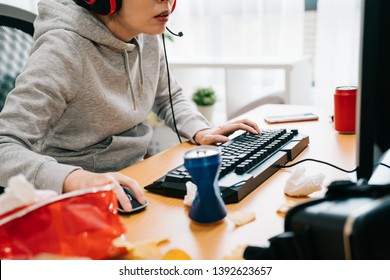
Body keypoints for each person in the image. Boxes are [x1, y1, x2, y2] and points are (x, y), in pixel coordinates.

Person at [0, 0, 260, 211]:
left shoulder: (146, 36)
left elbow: (167, 96)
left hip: (136, 180)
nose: (167, 1)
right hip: (77, 200)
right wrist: (76, 179)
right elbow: (4, 146)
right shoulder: (63, 50)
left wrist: (200, 130)